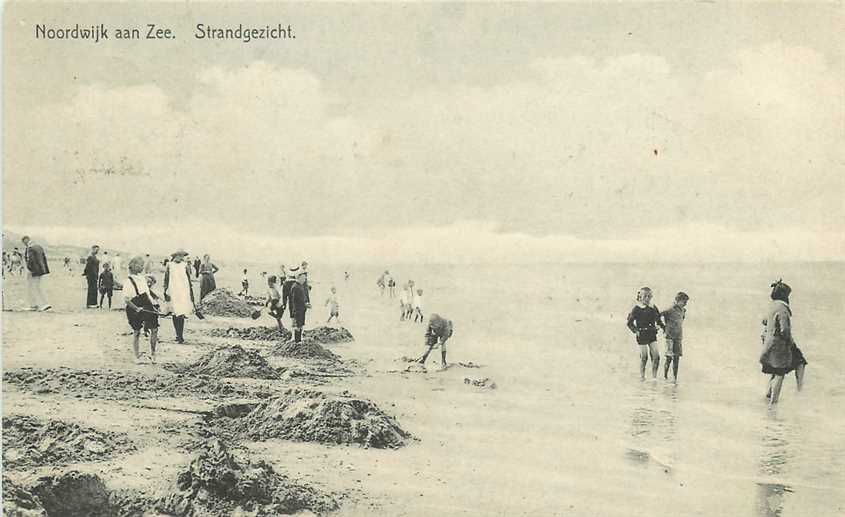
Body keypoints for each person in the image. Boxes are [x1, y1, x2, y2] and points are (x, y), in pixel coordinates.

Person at [760, 280, 807, 405]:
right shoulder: (783, 309)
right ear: (785, 296)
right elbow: (784, 330)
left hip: (768, 345)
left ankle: (769, 396)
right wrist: (790, 342)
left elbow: (764, 321)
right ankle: (775, 402)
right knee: (781, 372)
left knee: (775, 371)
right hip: (779, 346)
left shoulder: (772, 306)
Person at [124, 256, 159, 363]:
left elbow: (148, 294)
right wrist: (136, 308)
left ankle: (153, 354)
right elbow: (126, 300)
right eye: (140, 264)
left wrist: (154, 306)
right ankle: (136, 356)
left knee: (154, 329)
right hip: (134, 306)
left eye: (143, 264)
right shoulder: (128, 281)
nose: (142, 266)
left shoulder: (143, 279)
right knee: (137, 332)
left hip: (146, 304)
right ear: (133, 266)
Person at [626, 287, 665, 381]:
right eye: (645, 296)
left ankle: (654, 377)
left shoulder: (653, 307)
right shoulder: (636, 308)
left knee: (656, 356)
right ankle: (642, 376)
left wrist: (663, 327)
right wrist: (636, 331)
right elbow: (629, 323)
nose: (647, 298)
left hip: (652, 334)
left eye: (649, 296)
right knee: (644, 357)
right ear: (640, 296)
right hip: (642, 334)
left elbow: (658, 320)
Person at [164, 249, 196, 344]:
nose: (181, 258)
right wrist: (165, 291)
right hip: (173, 291)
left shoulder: (185, 265)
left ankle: (180, 335)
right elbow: (166, 279)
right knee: (175, 313)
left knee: (181, 313)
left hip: (183, 292)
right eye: (180, 256)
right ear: (175, 256)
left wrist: (190, 291)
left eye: (182, 256)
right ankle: (177, 334)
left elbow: (188, 279)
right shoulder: (169, 265)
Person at [661, 292, 689, 382]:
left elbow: (682, 320)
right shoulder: (670, 309)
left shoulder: (683, 310)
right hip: (669, 336)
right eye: (684, 301)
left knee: (677, 358)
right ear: (677, 300)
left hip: (678, 336)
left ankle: (674, 378)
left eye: (686, 302)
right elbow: (658, 315)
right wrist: (663, 326)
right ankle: (665, 376)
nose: (685, 303)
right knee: (669, 357)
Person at [22, 236, 51, 311]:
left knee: (32, 287)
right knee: (38, 286)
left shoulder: (30, 248)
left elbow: (30, 260)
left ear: (26, 241)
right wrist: (44, 269)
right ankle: (43, 303)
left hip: (34, 271)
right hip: (41, 270)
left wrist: (30, 269)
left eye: (24, 242)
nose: (24, 244)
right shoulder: (39, 247)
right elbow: (44, 259)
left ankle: (36, 305)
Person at [289, 269, 309, 343]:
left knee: (300, 325)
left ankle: (299, 340)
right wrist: (295, 311)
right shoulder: (295, 287)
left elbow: (301, 299)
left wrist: (306, 304)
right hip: (298, 310)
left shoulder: (300, 286)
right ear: (299, 277)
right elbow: (294, 301)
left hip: (301, 309)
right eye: (303, 277)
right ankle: (297, 341)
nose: (305, 279)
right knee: (298, 326)